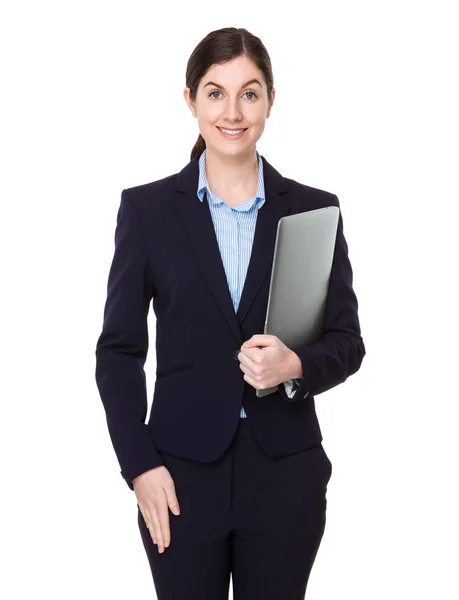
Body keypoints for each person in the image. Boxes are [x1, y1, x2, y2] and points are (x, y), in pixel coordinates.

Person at [95, 26, 366, 600]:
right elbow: (118, 353)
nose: (233, 111)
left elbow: (347, 340)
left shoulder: (316, 210)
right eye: (215, 92)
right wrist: (139, 467)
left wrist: (295, 365)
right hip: (179, 476)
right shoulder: (147, 212)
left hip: (286, 474)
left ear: (271, 100)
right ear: (190, 100)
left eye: (250, 92)